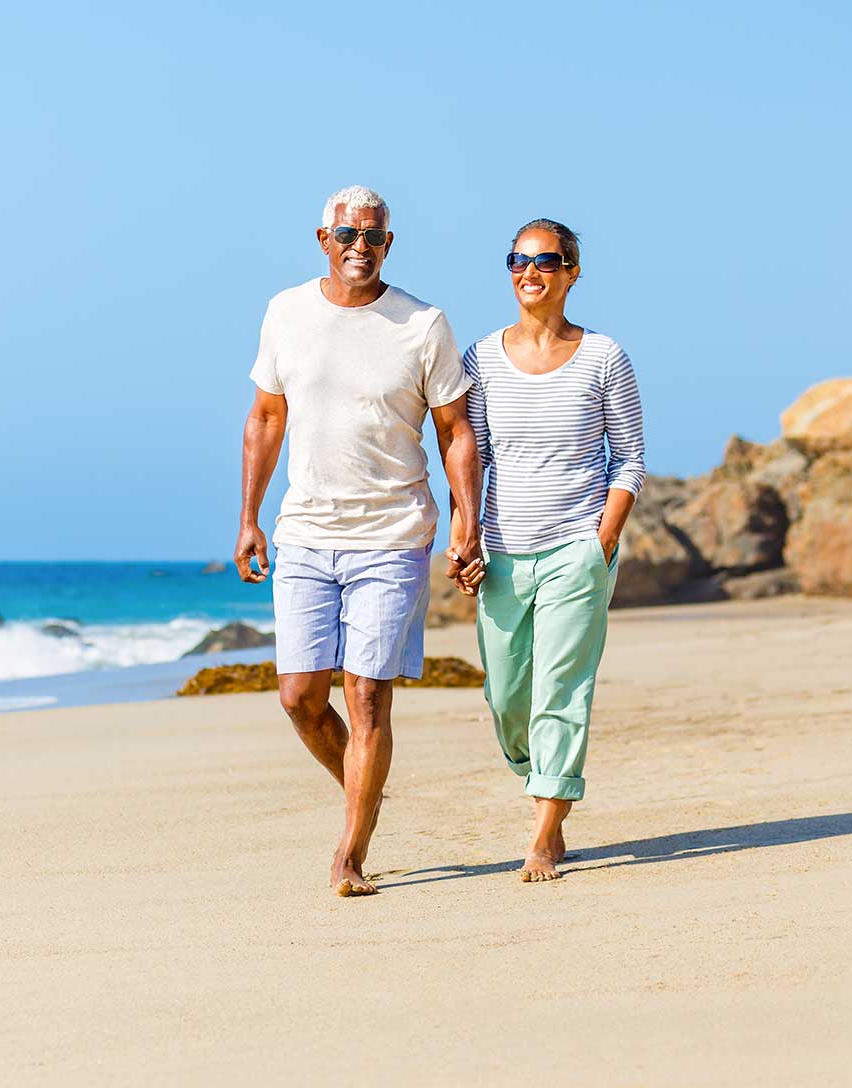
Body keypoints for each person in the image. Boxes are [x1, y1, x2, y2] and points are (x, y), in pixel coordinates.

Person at [236, 186, 483, 897]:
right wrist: (249, 517)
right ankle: (364, 786)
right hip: (306, 533)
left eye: (372, 237)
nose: (359, 248)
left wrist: (467, 519)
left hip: (392, 533)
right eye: (347, 235)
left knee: (367, 695)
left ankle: (350, 852)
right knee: (298, 697)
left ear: (388, 244)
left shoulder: (421, 324)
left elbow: (454, 429)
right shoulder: (286, 312)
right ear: (323, 239)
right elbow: (264, 417)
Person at [452, 218, 645, 882]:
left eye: (546, 260)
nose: (530, 271)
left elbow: (630, 459)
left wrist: (604, 537)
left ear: (572, 272)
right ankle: (545, 782)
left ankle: (544, 830)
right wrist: (466, 533)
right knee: (507, 697)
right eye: (518, 260)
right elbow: (467, 457)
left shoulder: (604, 357)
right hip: (503, 551)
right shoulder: (479, 359)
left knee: (561, 688)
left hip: (576, 550)